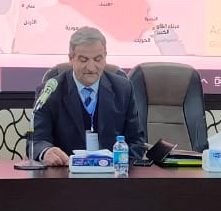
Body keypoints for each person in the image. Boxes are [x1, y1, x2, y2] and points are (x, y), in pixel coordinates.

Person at [31, 26, 147, 166]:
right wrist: (46, 152)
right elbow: (37, 141)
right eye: (84, 60)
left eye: (97, 59)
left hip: (112, 174)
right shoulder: (50, 92)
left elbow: (136, 141)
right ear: (71, 59)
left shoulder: (123, 89)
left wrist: (118, 164)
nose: (91, 67)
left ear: (105, 56)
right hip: (65, 173)